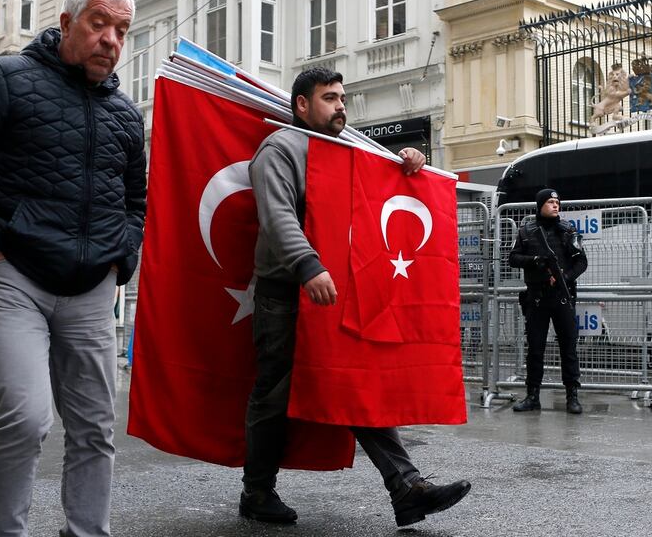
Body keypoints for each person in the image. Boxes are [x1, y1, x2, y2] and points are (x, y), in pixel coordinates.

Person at [0, 0, 146, 537]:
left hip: (92, 288)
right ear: (66, 23)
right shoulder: (3, 79)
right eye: (99, 23)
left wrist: (123, 257)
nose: (111, 39)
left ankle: (87, 532)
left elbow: (136, 198)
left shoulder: (125, 114)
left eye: (121, 30)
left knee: (95, 427)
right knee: (24, 418)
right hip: (13, 278)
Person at [243, 67, 471, 527]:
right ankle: (257, 492)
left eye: (343, 97)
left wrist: (406, 162)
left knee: (355, 383)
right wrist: (308, 264)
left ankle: (406, 486)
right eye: (329, 98)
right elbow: (277, 214)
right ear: (302, 105)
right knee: (274, 394)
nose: (341, 106)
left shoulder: (352, 149)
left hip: (336, 295)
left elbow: (380, 189)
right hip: (287, 292)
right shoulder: (280, 148)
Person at [508, 189, 588, 414]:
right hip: (537, 298)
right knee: (535, 348)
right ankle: (533, 395)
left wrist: (564, 276)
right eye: (550, 202)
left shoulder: (567, 230)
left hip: (562, 297)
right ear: (540, 205)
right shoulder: (527, 231)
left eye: (557, 203)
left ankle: (572, 395)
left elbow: (581, 261)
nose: (555, 206)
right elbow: (513, 258)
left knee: (568, 348)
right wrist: (536, 261)